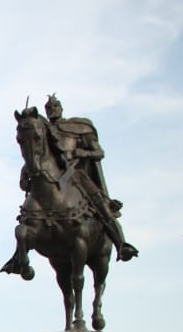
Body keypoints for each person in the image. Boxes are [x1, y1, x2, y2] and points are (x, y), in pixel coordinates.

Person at [39, 94, 138, 262]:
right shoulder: (44, 132)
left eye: (55, 107)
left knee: (100, 204)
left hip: (77, 177)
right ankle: (19, 255)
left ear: (61, 109)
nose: (52, 110)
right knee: (29, 211)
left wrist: (81, 152)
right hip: (52, 180)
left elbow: (99, 152)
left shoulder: (78, 128)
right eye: (49, 108)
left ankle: (121, 244)